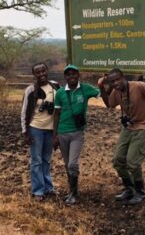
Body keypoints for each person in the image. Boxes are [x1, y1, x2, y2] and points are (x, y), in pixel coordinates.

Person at [98, 69, 145, 205]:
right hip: (128, 126)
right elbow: (109, 105)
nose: (116, 83)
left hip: (144, 125)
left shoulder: (138, 86)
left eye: (117, 80)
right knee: (118, 160)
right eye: (112, 81)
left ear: (123, 77)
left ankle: (140, 192)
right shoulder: (116, 91)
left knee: (132, 162)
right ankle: (129, 188)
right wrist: (101, 87)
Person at [53, 64, 100, 205]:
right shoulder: (60, 93)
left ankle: (73, 194)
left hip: (77, 133)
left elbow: (101, 93)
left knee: (73, 163)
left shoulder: (85, 89)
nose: (71, 77)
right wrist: (54, 135)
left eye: (74, 74)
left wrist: (103, 83)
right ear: (65, 77)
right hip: (62, 132)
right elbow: (56, 114)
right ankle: (73, 191)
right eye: (68, 74)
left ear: (78, 75)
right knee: (68, 164)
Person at [21, 62, 60, 201]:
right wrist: (25, 132)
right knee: (36, 160)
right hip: (35, 128)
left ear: (47, 71)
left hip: (50, 130)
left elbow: (60, 109)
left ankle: (48, 188)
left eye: (43, 71)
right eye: (38, 72)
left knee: (46, 160)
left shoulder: (55, 86)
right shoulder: (31, 90)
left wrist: (58, 132)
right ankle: (38, 191)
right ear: (34, 74)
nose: (41, 74)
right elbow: (25, 111)